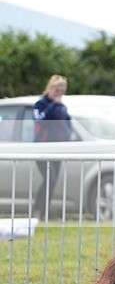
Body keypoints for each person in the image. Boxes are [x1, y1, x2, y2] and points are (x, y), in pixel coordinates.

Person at [32, 74, 72, 219]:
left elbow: (68, 126)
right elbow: (41, 121)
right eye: (57, 90)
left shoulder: (62, 107)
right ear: (50, 88)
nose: (59, 93)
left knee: (52, 181)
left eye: (62, 91)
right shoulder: (41, 104)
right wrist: (54, 104)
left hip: (58, 149)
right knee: (49, 178)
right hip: (42, 148)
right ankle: (37, 211)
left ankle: (44, 213)